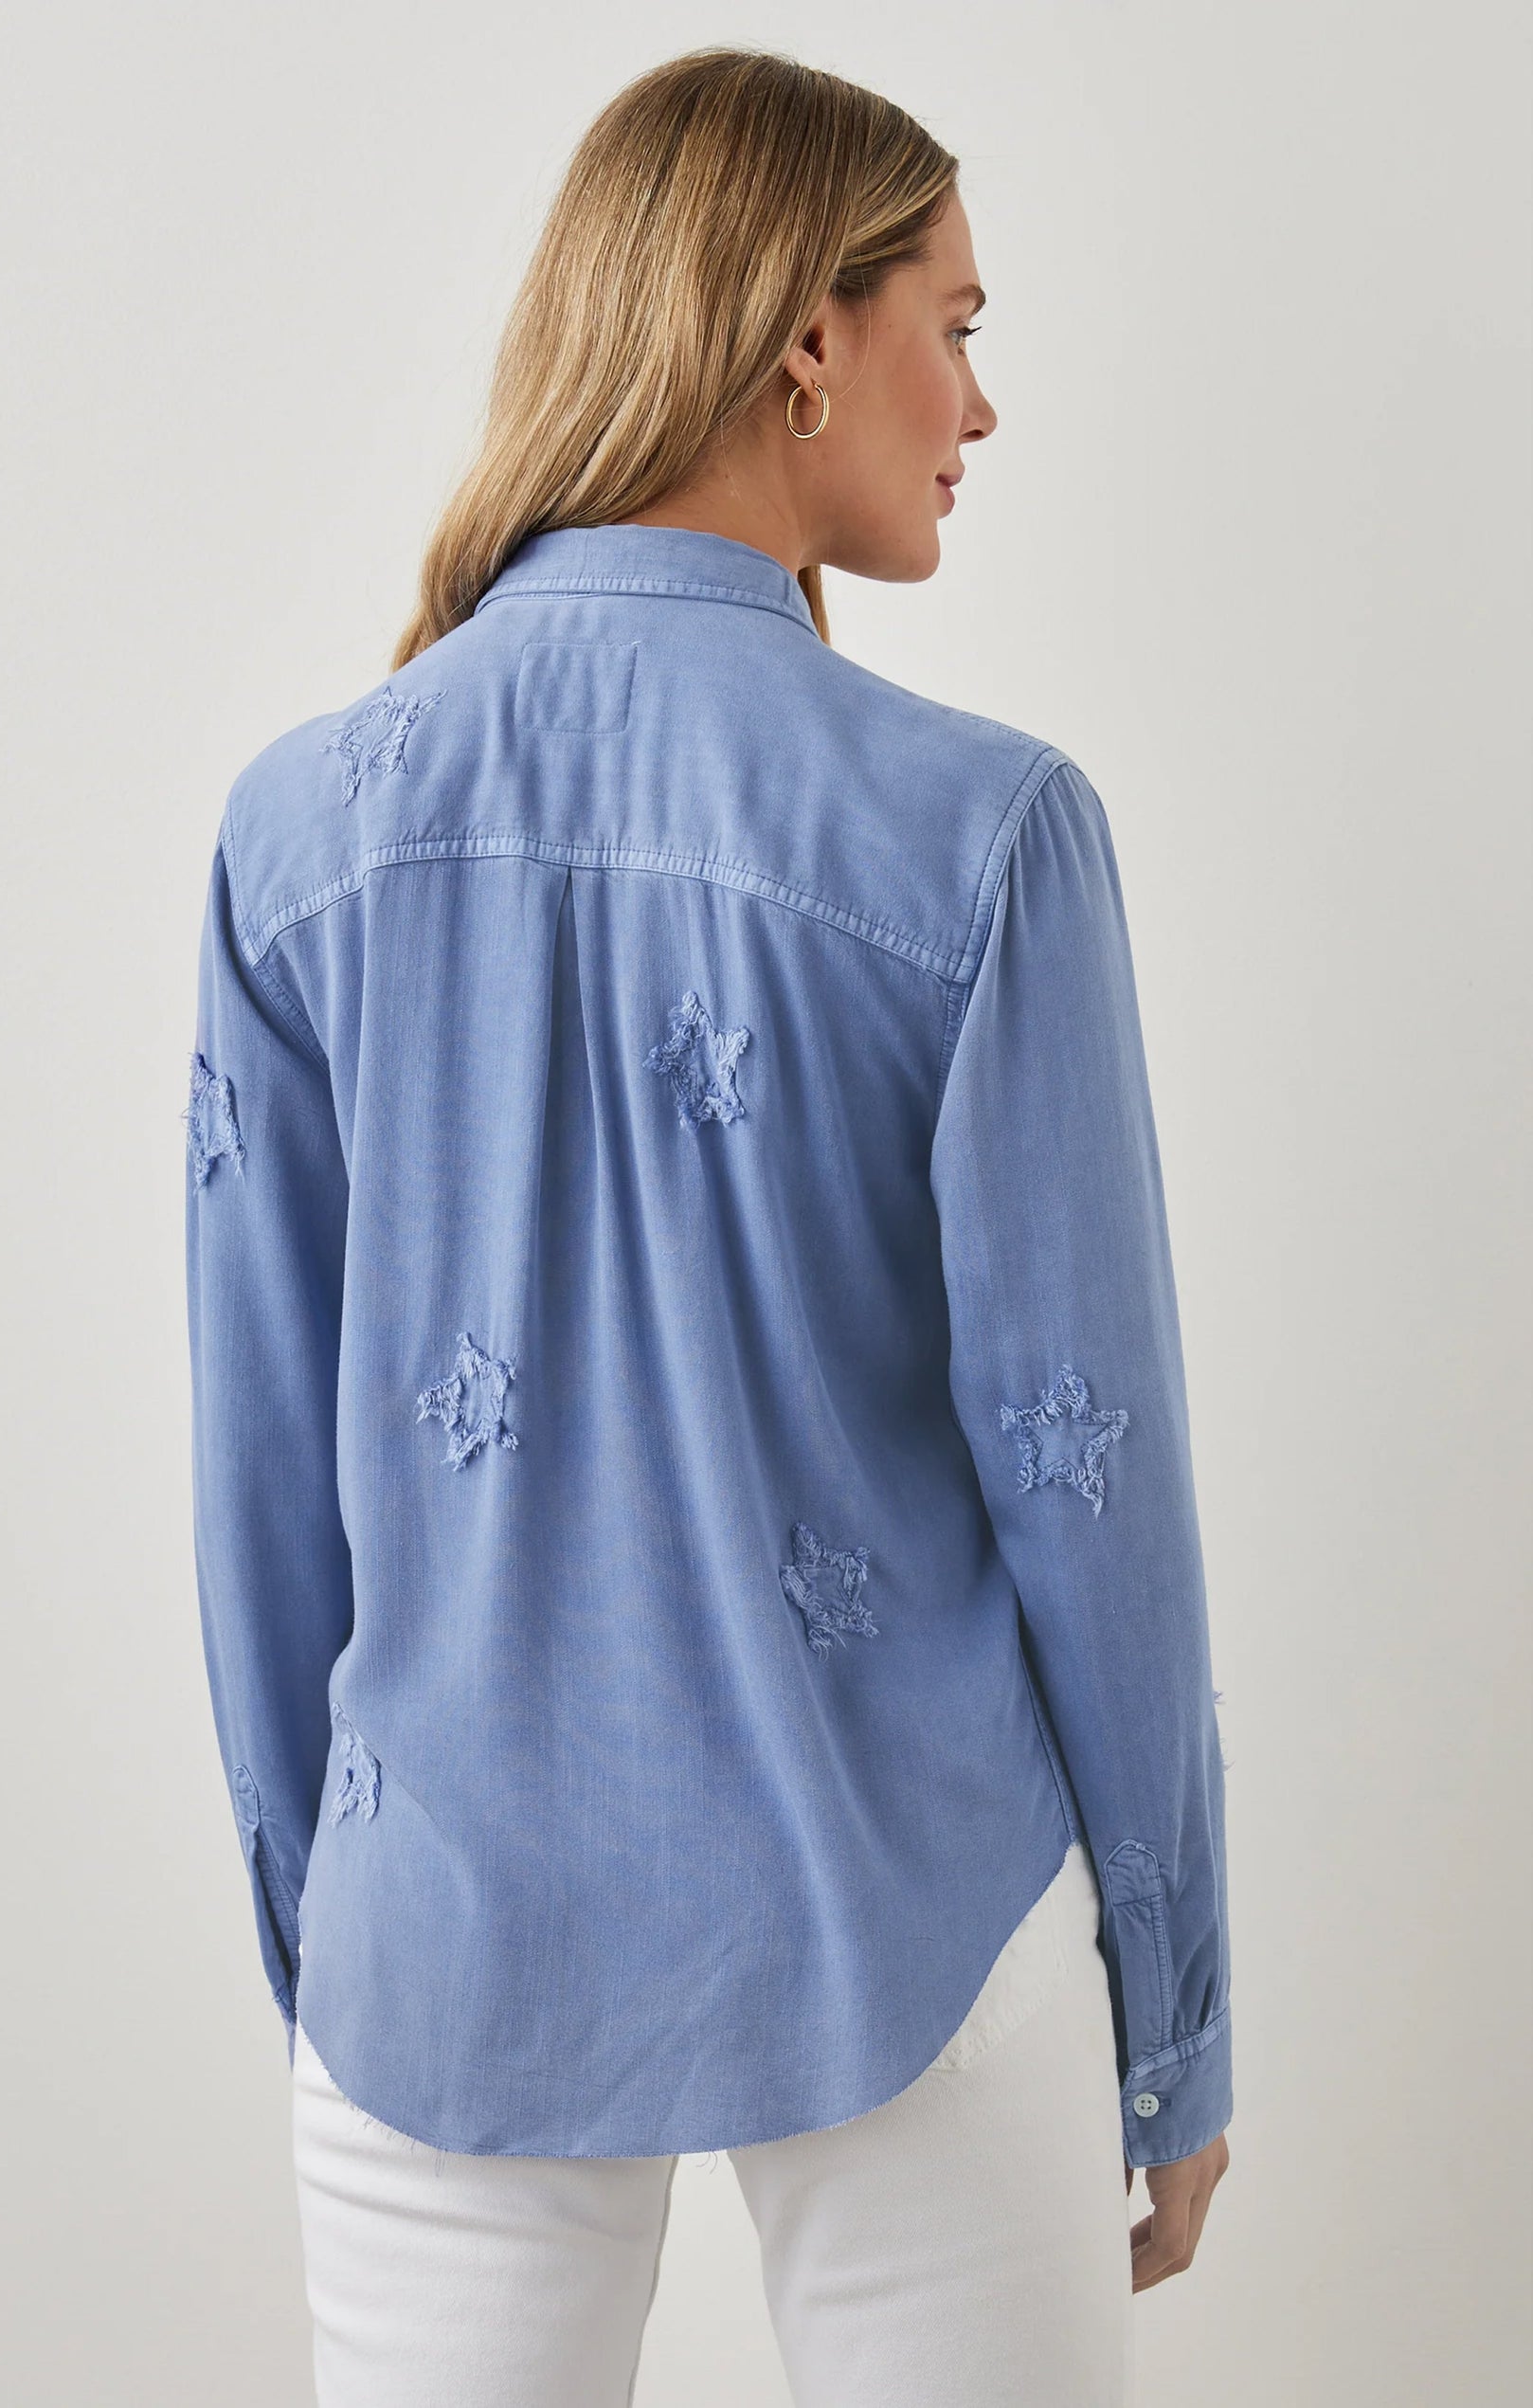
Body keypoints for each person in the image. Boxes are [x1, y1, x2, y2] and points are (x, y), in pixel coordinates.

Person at [184, 45, 1233, 2408]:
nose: (979, 401)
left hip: (435, 1932)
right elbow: (1088, 1475)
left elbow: (263, 1487)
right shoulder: (981, 835)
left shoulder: (295, 832)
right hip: (921, 1910)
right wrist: (1169, 2017)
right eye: (954, 324)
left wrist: (318, 1945)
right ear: (803, 341)